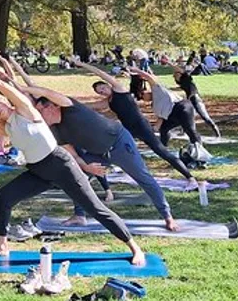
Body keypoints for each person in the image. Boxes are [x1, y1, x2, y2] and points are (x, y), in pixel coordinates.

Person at [0, 61, 145, 265]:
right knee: (3, 197)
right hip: (38, 171)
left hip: (60, 164)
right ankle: (2, 246)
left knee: (95, 208)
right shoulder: (2, 127)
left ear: (4, 100)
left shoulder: (25, 110)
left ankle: (134, 247)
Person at [25, 82, 179, 231]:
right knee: (75, 176)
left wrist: (19, 86)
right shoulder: (55, 131)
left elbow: (46, 92)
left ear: (52, 106)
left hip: (119, 143)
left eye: (40, 111)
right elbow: (73, 155)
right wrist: (86, 166)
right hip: (98, 154)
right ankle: (79, 215)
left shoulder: (70, 107)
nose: (39, 116)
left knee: (143, 178)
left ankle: (167, 216)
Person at [76, 62, 197, 184]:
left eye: (102, 88)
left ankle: (190, 177)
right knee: (105, 147)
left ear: (108, 85)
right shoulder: (107, 102)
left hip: (142, 126)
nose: (102, 91)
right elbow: (89, 106)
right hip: (127, 130)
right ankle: (91, 174)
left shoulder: (119, 89)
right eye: (99, 92)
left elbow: (100, 73)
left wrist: (81, 64)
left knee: (161, 151)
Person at [130, 67, 202, 148]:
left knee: (189, 130)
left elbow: (149, 77)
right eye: (142, 98)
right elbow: (161, 118)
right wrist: (154, 129)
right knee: (164, 129)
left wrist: (137, 70)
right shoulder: (154, 106)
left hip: (182, 108)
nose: (144, 97)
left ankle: (199, 148)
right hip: (172, 115)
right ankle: (164, 148)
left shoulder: (158, 90)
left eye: (143, 94)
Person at [171, 66, 221, 137]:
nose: (174, 77)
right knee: (186, 117)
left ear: (180, 74)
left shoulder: (187, 78)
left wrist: (169, 63)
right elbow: (179, 88)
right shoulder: (182, 83)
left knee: (205, 117)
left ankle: (217, 133)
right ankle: (185, 132)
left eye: (175, 75)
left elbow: (192, 90)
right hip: (191, 101)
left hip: (196, 100)